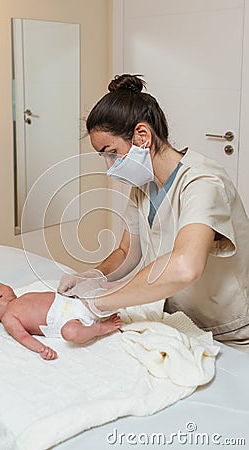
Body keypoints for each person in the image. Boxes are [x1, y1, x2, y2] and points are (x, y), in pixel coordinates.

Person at [58, 73, 249, 352]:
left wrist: (106, 300)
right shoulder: (144, 185)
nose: (109, 166)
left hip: (225, 329)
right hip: (181, 322)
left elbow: (186, 266)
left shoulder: (203, 182)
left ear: (142, 136)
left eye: (111, 152)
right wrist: (94, 277)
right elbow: (127, 251)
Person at [0, 280, 121, 360]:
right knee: (70, 333)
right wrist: (41, 349)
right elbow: (23, 337)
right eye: (1, 284)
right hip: (69, 320)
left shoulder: (21, 299)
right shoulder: (8, 319)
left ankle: (123, 285)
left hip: (75, 301)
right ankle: (99, 329)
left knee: (90, 283)